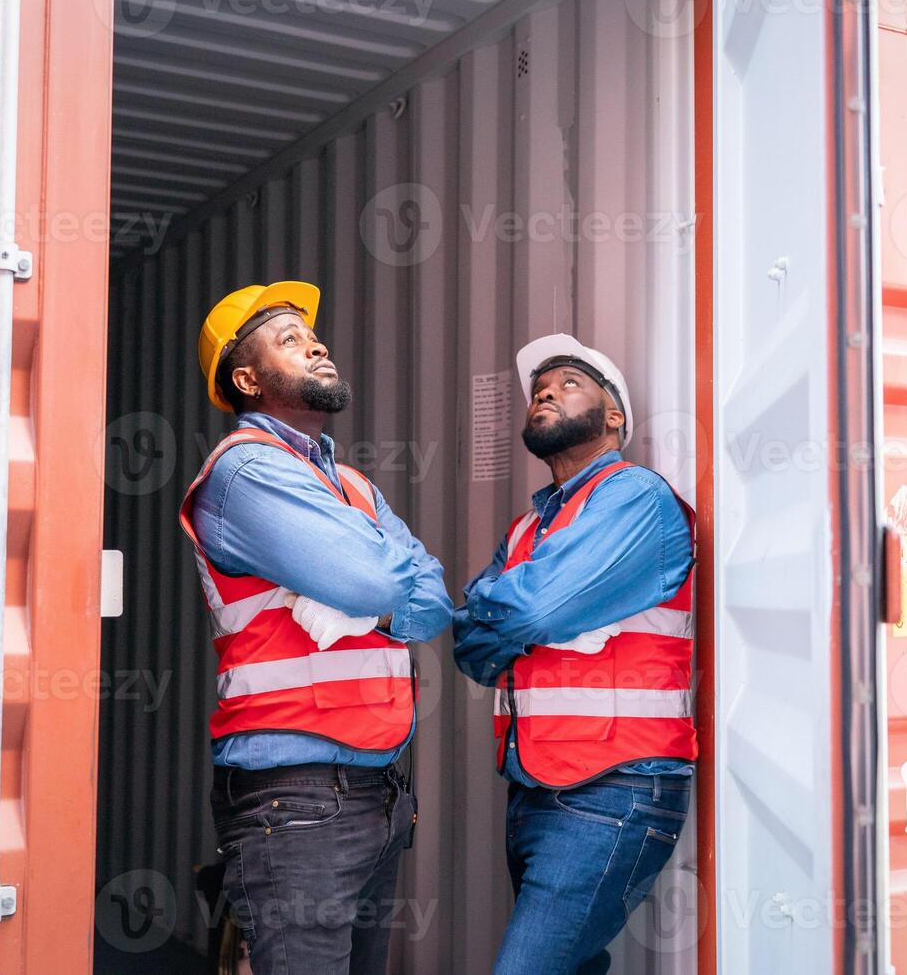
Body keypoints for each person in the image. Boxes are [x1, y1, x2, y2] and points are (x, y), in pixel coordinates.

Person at [179, 280, 452, 975]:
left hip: (375, 790)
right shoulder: (244, 472)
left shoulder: (353, 484)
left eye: (313, 334)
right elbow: (383, 582)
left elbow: (432, 599)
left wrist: (379, 587)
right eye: (290, 340)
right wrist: (380, 585)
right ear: (247, 378)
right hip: (294, 797)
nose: (317, 344)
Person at [453, 334, 697, 975]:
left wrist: (510, 611)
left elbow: (528, 611)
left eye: (569, 383)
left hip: (614, 786)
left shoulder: (636, 497)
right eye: (540, 387)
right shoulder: (527, 527)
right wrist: (510, 613)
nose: (546, 392)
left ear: (613, 416)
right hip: (535, 786)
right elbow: (472, 650)